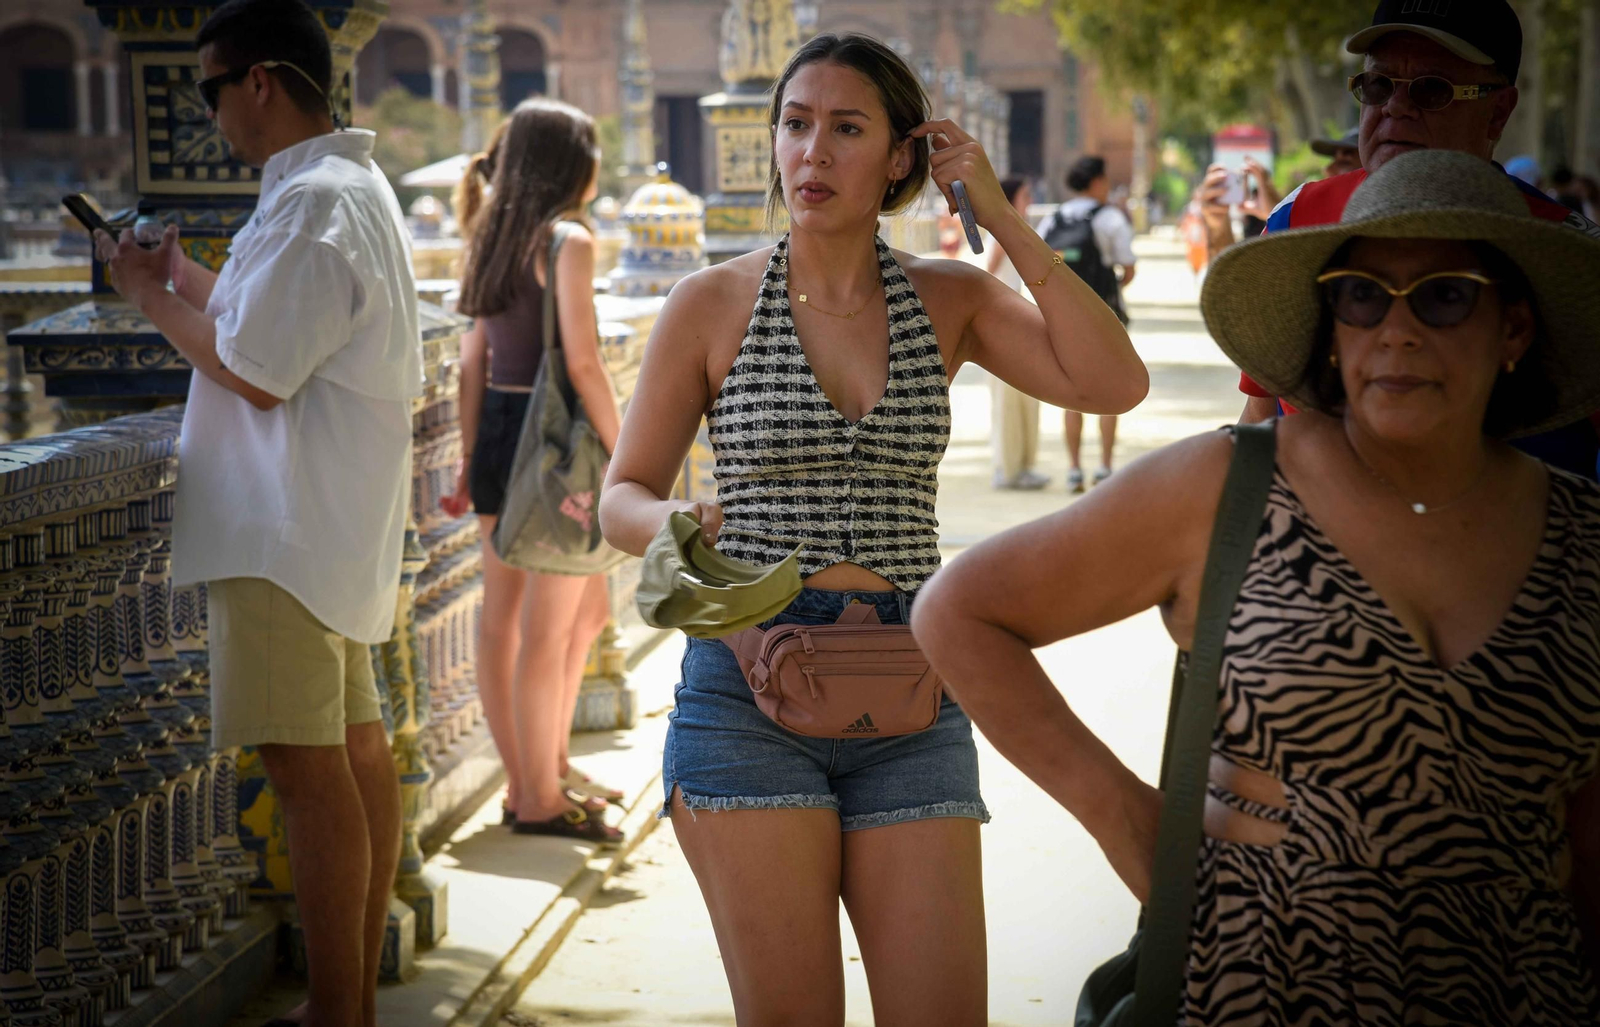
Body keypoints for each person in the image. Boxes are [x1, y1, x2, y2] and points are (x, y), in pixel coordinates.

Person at [912, 149, 1600, 1026]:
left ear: (1514, 329)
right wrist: (1134, 828)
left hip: (1522, 989)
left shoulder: (1582, 535)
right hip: (1261, 980)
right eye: (1362, 295)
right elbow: (959, 610)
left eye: (1444, 296)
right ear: (1332, 327)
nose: (1397, 330)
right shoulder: (1229, 487)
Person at [599, 32, 1147, 1025]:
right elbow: (620, 495)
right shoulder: (710, 303)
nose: (812, 151)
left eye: (846, 129)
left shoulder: (950, 298)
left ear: (901, 157)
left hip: (914, 688)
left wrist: (1002, 222)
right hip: (748, 682)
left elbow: (1113, 382)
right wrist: (675, 516)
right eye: (795, 124)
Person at [95, 1, 417, 1023]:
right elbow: (260, 319)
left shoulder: (315, 203)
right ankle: (348, 1004)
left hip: (285, 524)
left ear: (262, 81)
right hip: (324, 523)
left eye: (212, 89)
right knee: (354, 753)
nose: (210, 113)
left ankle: (338, 1009)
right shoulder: (341, 189)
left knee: (308, 772)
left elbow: (255, 370)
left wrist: (149, 299)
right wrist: (176, 273)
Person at [1237, 0, 1600, 444]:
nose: (1396, 107)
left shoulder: (1574, 257)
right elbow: (1261, 413)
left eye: (1431, 89)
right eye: (1378, 85)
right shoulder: (1298, 219)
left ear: (1499, 112)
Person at [439, 99, 625, 844]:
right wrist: (629, 456)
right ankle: (538, 798)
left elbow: (473, 361)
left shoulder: (492, 231)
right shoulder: (568, 239)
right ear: (571, 162)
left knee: (523, 619)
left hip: (499, 435)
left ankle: (535, 776)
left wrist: (468, 457)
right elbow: (583, 365)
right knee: (552, 628)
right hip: (552, 448)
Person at [1040, 156, 1138, 490]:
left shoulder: (1055, 218)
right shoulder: (1109, 217)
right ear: (1096, 181)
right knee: (1110, 388)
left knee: (1072, 392)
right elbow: (1128, 267)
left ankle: (1073, 468)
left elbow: (1039, 266)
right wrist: (1109, 291)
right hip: (1105, 317)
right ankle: (1106, 467)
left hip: (1066, 319)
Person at [987, 176, 1048, 491]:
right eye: (1025, 195)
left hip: (1022, 322)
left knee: (1026, 396)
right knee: (1007, 398)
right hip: (1003, 326)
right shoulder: (1001, 234)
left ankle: (1023, 465)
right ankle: (1007, 467)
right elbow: (986, 275)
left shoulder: (1019, 231)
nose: (1030, 200)